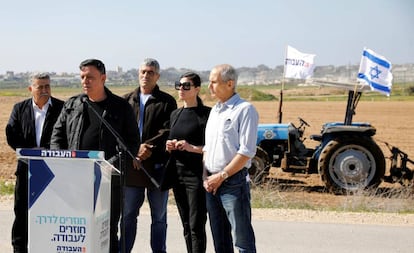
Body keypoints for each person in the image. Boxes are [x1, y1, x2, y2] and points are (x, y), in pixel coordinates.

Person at [50, 59, 140, 253]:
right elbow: (57, 135)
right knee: (80, 228)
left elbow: (132, 143)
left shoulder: (121, 107)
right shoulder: (73, 104)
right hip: (75, 180)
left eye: (90, 77)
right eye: (82, 77)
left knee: (106, 231)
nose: (85, 81)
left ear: (103, 78)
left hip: (109, 181)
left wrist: (108, 166)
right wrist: (62, 162)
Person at [122, 58, 177, 253]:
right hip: (132, 166)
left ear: (158, 76)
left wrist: (148, 147)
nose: (146, 75)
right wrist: (135, 151)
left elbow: (168, 130)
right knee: (128, 215)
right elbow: (121, 132)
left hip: (157, 168)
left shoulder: (167, 101)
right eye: (143, 72)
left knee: (159, 217)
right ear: (138, 74)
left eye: (151, 72)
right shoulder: (126, 100)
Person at [5, 73, 64, 253]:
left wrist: (46, 152)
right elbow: (12, 135)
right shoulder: (19, 109)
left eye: (47, 86)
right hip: (26, 169)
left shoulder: (62, 108)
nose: (45, 90)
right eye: (40, 87)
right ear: (31, 89)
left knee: (51, 215)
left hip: (53, 171)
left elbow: (66, 135)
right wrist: (30, 151)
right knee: (21, 213)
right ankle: (19, 249)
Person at [203, 64, 258, 253]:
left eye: (214, 82)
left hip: (232, 183)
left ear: (230, 84)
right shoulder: (215, 111)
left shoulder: (245, 110)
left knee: (242, 241)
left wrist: (222, 176)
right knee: (220, 240)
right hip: (211, 183)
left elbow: (246, 152)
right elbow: (208, 149)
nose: (209, 86)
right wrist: (207, 177)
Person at [165, 72, 210, 253]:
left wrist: (192, 147)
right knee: (185, 224)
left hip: (197, 175)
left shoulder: (207, 114)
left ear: (197, 89)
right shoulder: (175, 113)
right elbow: (170, 139)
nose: (181, 89)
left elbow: (212, 147)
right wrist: (168, 145)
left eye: (186, 86)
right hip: (177, 174)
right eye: (179, 85)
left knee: (196, 225)